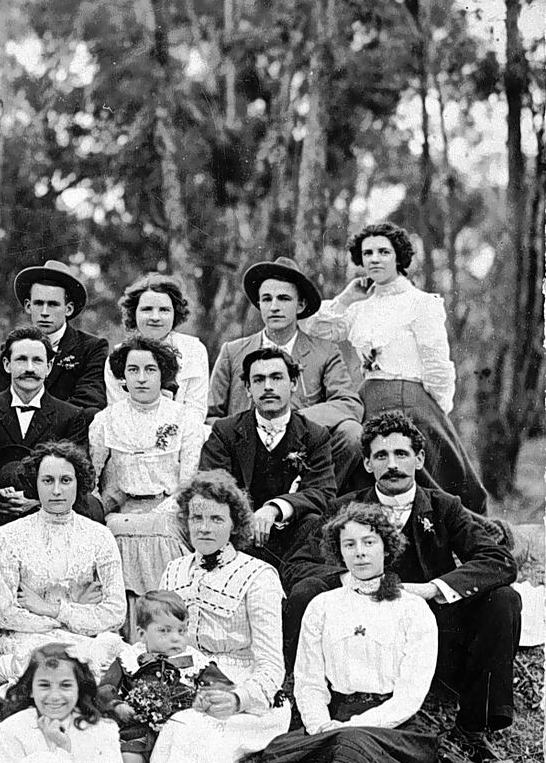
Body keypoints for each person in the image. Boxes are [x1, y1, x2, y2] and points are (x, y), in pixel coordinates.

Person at [238, 503, 541, 763]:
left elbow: (410, 695)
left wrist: (353, 729)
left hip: (395, 728)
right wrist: (320, 725)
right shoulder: (322, 606)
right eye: (349, 544)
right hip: (329, 724)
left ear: (387, 547)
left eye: (369, 542)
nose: (360, 552)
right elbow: (308, 681)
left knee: (351, 753)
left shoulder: (413, 609)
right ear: (338, 551)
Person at [283, 411, 523, 763]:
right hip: (364, 633)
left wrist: (433, 589)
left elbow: (497, 558)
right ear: (366, 463)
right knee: (304, 593)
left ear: (420, 459)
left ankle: (475, 728)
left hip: (433, 632)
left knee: (503, 599)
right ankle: (311, 711)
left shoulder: (445, 506)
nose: (392, 465)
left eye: (401, 454)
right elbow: (299, 565)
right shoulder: (345, 508)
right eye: (381, 456)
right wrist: (358, 582)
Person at [130, 472, 289, 763]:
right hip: (185, 691)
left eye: (216, 519)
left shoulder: (258, 576)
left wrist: (237, 699)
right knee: (183, 730)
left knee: (191, 738)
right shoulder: (175, 571)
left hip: (246, 697)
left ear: (235, 524)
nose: (204, 527)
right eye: (197, 517)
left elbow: (272, 665)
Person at [305, 221, 486, 511]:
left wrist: (436, 408)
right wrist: (346, 297)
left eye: (383, 252)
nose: (374, 259)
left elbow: (437, 362)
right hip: (367, 400)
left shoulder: (420, 303)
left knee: (424, 479)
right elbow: (313, 326)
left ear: (398, 256)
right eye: (367, 253)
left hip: (411, 399)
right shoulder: (358, 306)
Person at [208, 257, 363, 489]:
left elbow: (349, 403)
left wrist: (297, 421)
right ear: (259, 304)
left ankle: (317, 504)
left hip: (302, 456)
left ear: (300, 306)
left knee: (352, 433)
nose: (274, 307)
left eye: (284, 299)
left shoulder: (324, 351)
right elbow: (211, 415)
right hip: (247, 455)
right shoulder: (233, 352)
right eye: (267, 299)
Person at [0, 442, 126, 681]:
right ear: (35, 483)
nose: (56, 490)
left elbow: (116, 613)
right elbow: (5, 614)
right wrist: (74, 612)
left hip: (88, 643)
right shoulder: (10, 536)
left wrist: (53, 609)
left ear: (78, 483)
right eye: (47, 481)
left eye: (65, 480)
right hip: (28, 642)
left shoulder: (100, 536)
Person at [199, 347, 336, 572]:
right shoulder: (226, 432)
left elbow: (323, 492)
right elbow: (211, 486)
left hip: (296, 540)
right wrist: (247, 521)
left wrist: (274, 509)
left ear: (293, 384)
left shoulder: (315, 435)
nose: (268, 386)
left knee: (313, 523)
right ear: (247, 388)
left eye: (276, 377)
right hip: (242, 539)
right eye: (259, 380)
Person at [89, 336, 199, 600]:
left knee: (159, 533)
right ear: (122, 376)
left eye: (150, 370)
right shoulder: (106, 420)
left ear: (163, 374)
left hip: (170, 514)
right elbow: (91, 480)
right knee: (113, 534)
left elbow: (188, 483)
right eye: (133, 370)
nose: (141, 378)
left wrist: (159, 514)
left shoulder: (184, 419)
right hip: (120, 512)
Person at [94, 590, 208, 763]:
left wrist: (205, 697)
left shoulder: (195, 660)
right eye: (165, 631)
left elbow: (221, 685)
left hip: (180, 731)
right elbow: (104, 688)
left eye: (181, 631)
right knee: (129, 760)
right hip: (139, 727)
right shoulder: (129, 658)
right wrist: (118, 705)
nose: (175, 639)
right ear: (142, 633)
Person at [0, 327, 93, 524]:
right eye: (21, 359)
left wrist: (35, 501)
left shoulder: (71, 415)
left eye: (37, 360)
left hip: (48, 508)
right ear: (7, 365)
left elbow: (76, 473)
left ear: (49, 367)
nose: (29, 368)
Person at [0, 262, 109, 411]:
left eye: (53, 304)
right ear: (28, 306)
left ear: (68, 309)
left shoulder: (91, 348)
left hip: (66, 430)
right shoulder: (13, 347)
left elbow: (90, 401)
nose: (44, 312)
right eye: (38, 303)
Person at [103, 273, 209, 426]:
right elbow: (117, 411)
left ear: (175, 313)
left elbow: (196, 411)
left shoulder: (194, 350)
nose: (155, 317)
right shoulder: (119, 356)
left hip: (183, 435)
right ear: (134, 313)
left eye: (164, 310)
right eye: (146, 309)